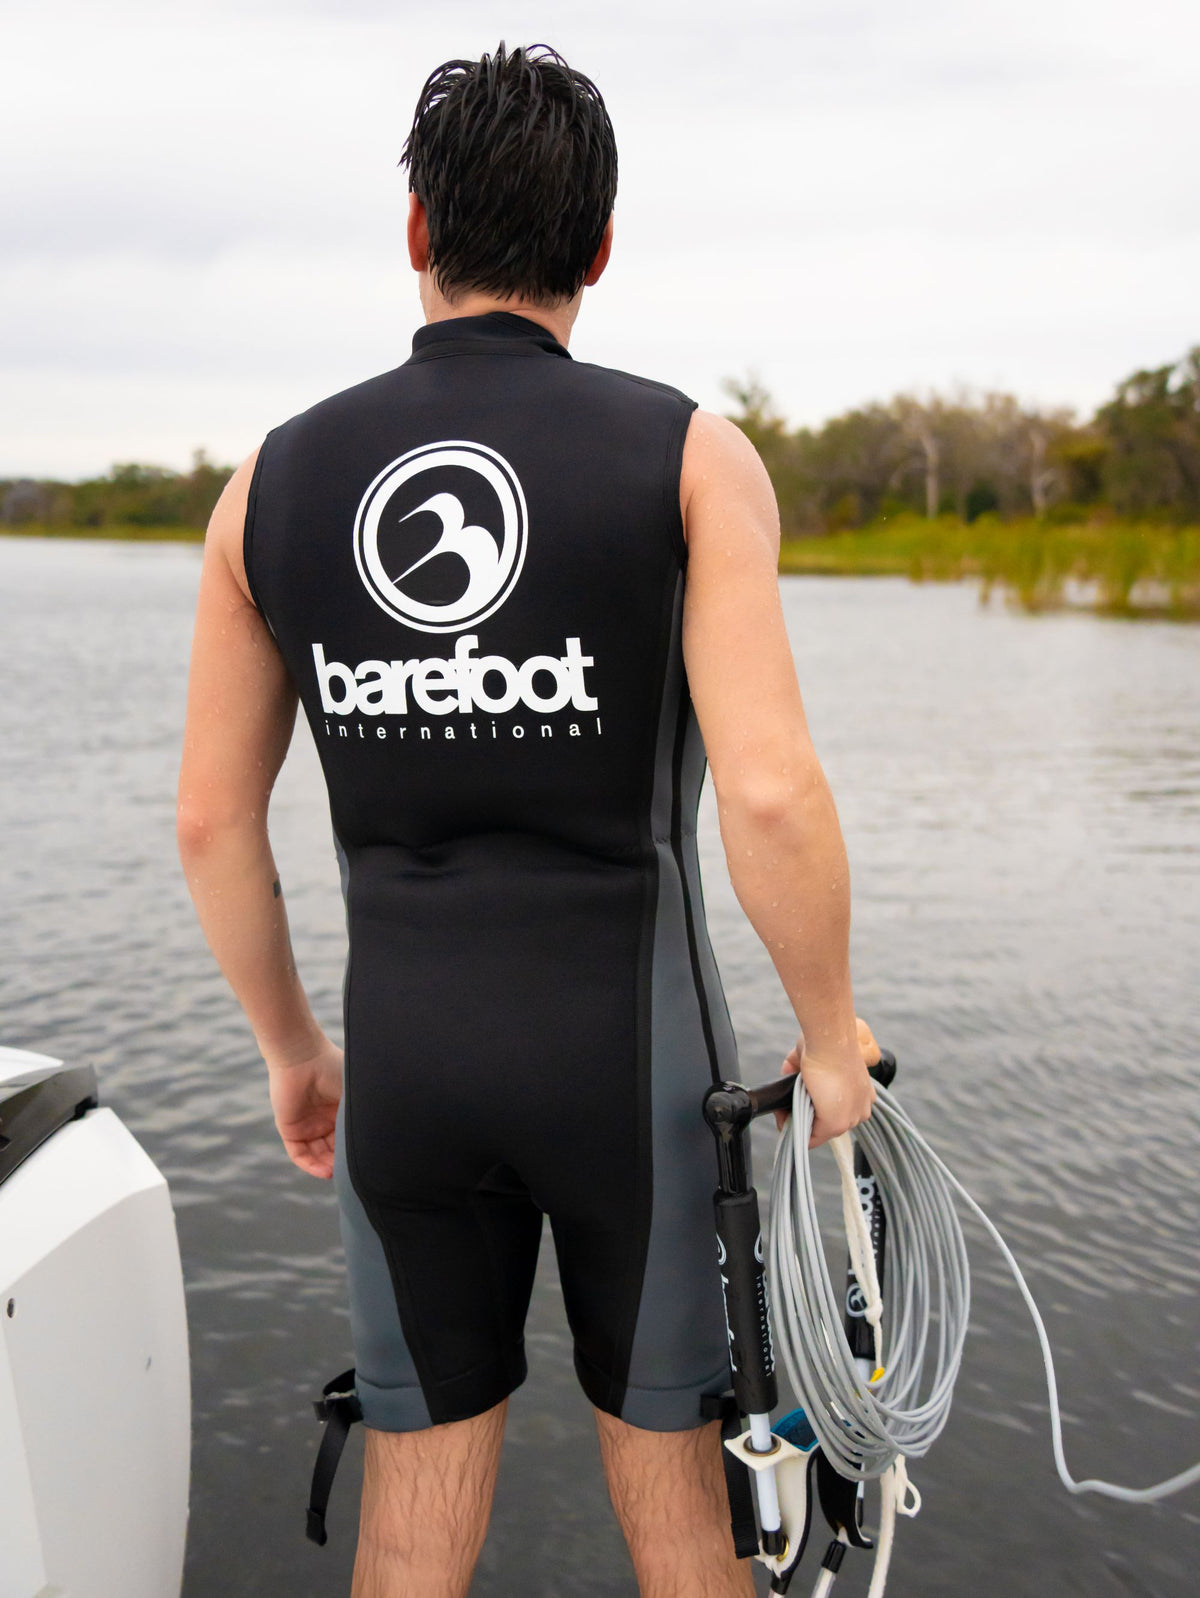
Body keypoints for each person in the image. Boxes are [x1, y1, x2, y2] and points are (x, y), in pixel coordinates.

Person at [177, 41, 877, 1598]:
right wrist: (828, 1040)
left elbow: (216, 823)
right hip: (632, 1077)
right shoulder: (688, 453)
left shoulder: (270, 486)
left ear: (416, 232)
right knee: (687, 1532)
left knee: (414, 1526)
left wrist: (299, 1055)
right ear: (601, 251)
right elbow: (766, 786)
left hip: (406, 1073)